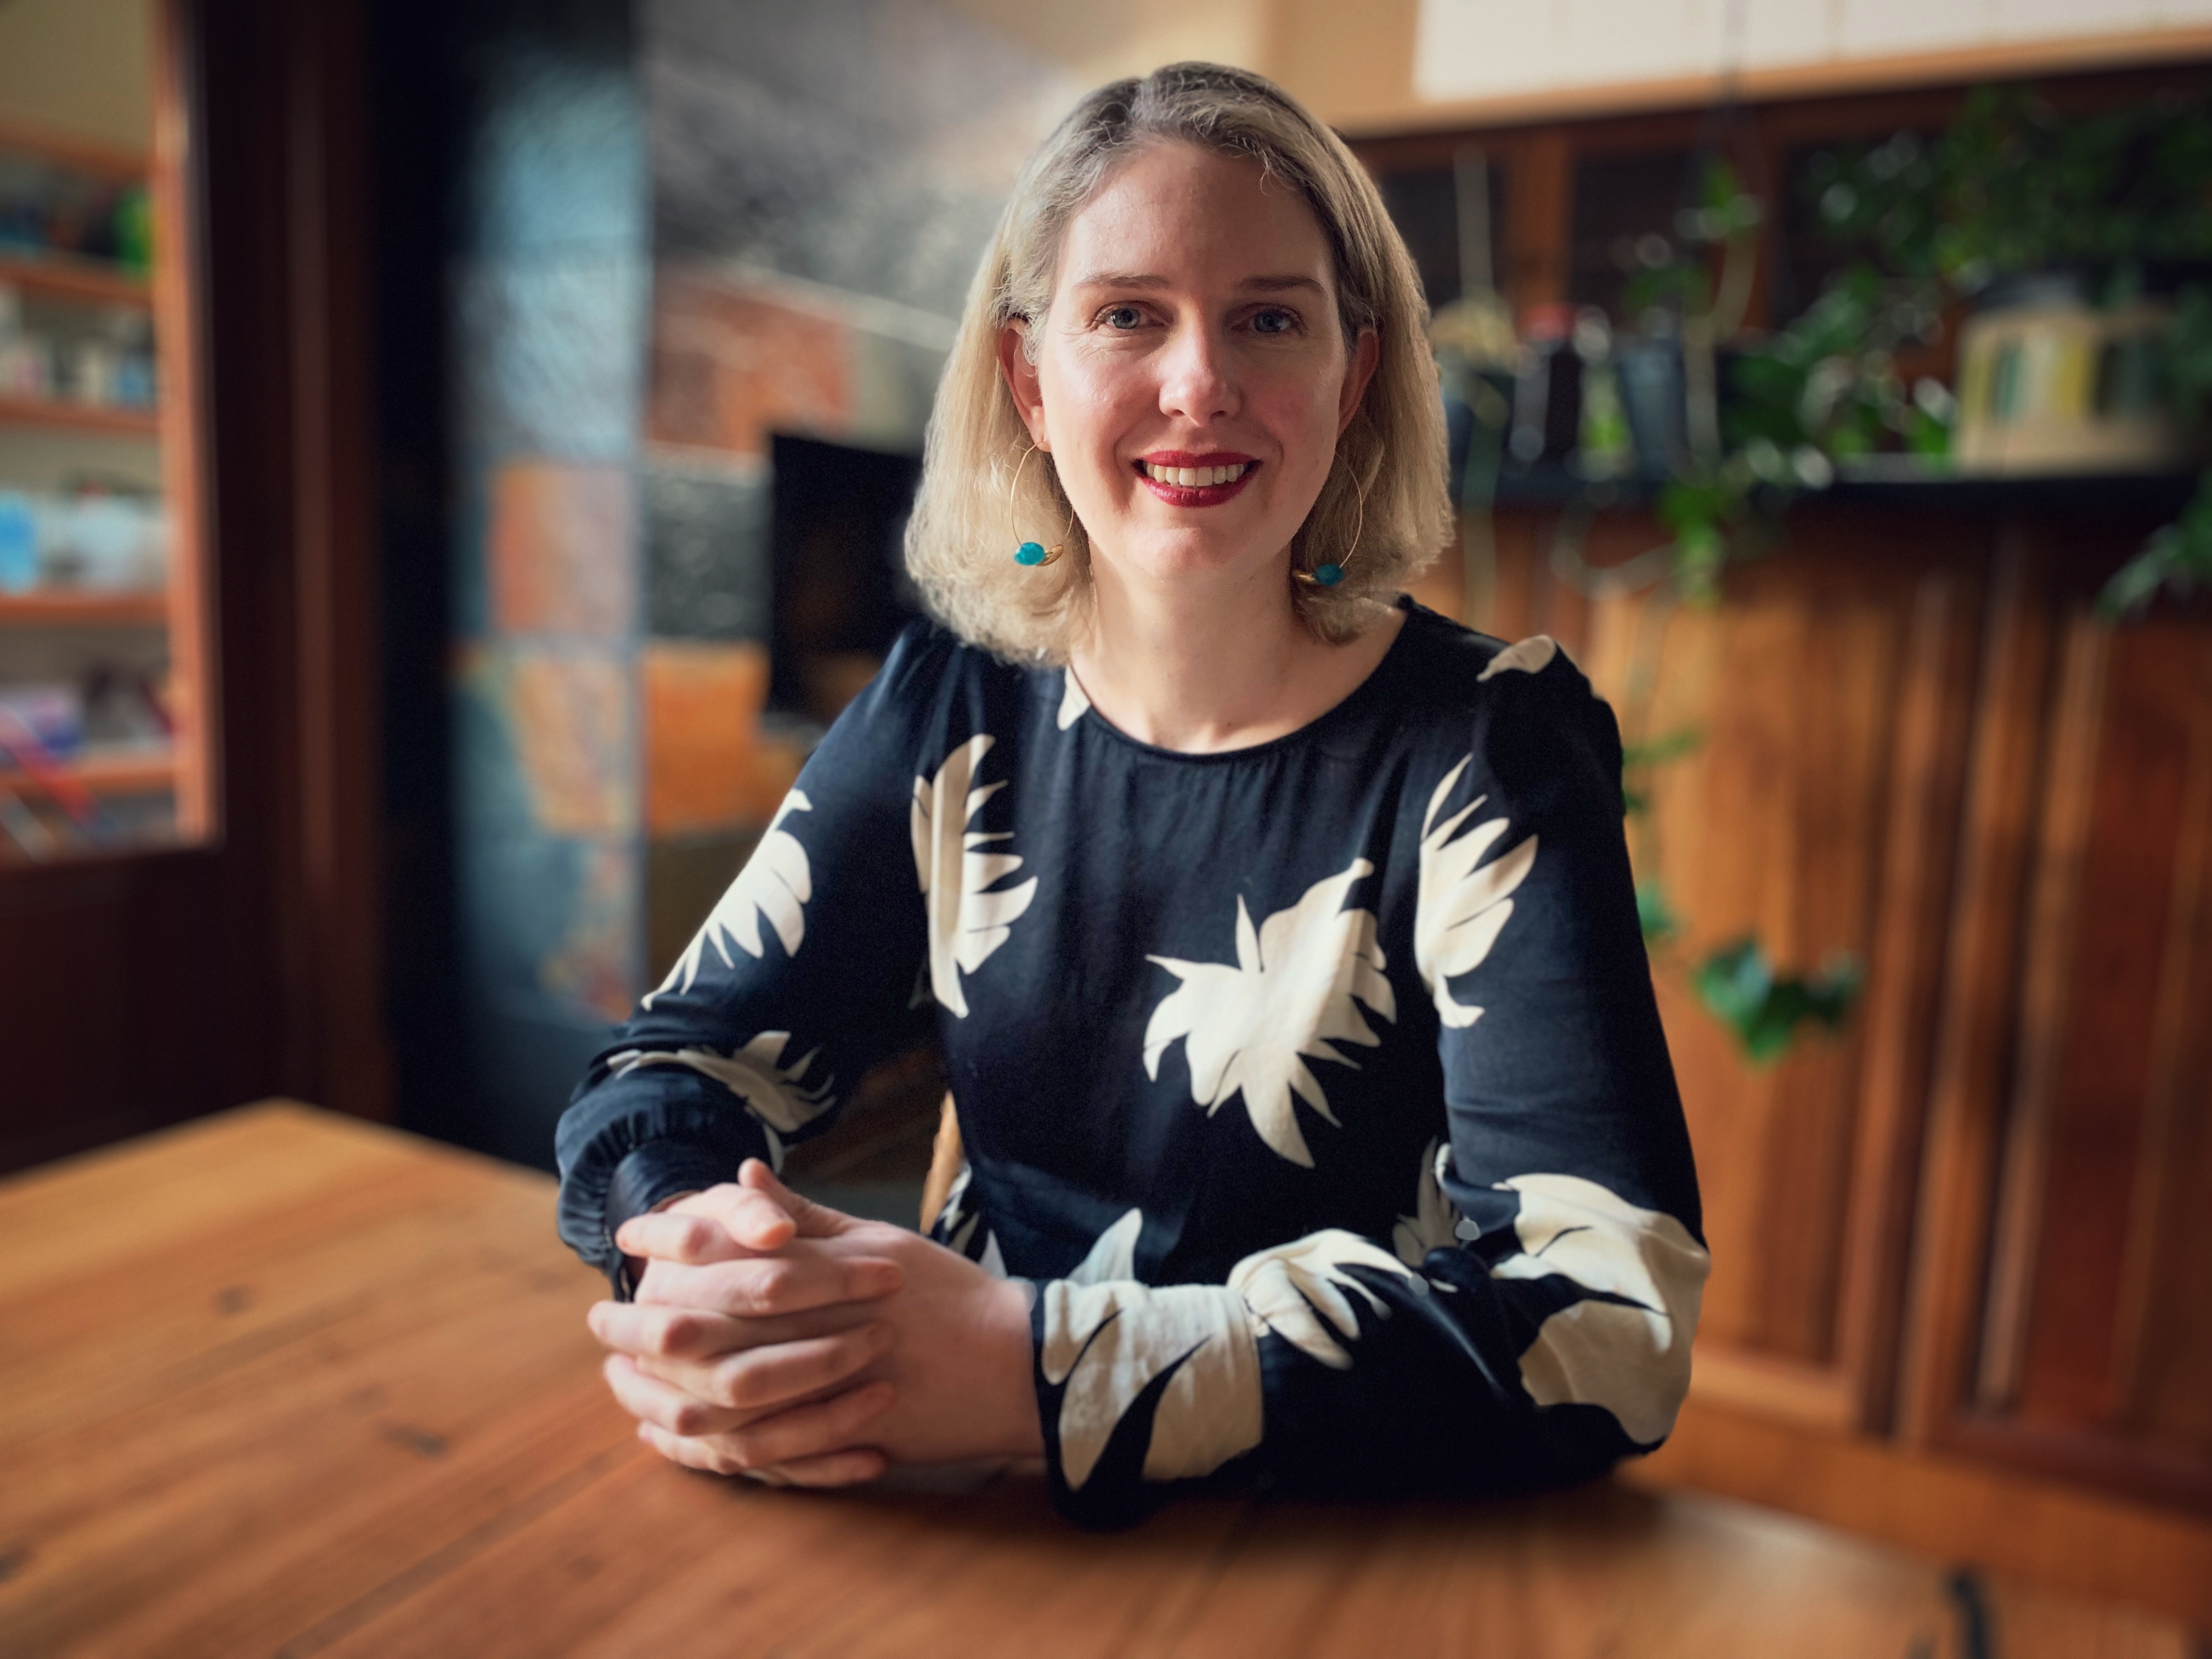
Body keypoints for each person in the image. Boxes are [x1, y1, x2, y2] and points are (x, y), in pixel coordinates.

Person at [556, 61, 1706, 1528]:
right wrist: (706, 1250)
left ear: (1353, 380)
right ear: (1033, 382)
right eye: (1128, 315)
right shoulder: (950, 703)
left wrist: (1032, 1367)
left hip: (1340, 1531)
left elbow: (1606, 1325)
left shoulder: (1487, 754)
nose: (1199, 384)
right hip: (973, 1509)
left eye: (1269, 319)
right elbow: (675, 1068)